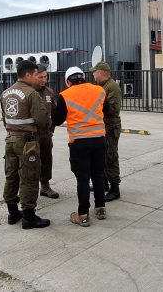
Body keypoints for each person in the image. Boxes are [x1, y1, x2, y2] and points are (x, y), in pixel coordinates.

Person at [53, 66, 108, 227]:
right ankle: (100, 208)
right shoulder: (99, 90)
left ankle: (83, 215)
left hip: (79, 142)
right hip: (99, 139)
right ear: (83, 77)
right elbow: (108, 110)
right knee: (98, 175)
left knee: (83, 179)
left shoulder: (65, 95)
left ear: (68, 81)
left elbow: (57, 120)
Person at [0, 60, 51, 229]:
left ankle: (13, 213)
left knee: (11, 175)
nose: (38, 78)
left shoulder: (5, 93)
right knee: (29, 177)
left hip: (10, 139)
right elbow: (42, 120)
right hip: (27, 142)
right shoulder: (31, 93)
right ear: (28, 75)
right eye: (36, 74)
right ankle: (29, 216)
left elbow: (4, 119)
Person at [92, 61, 122, 202]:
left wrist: (98, 105)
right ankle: (103, 184)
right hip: (102, 127)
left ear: (101, 72)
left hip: (110, 127)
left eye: (95, 71)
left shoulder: (112, 87)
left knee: (110, 156)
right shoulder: (101, 86)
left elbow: (113, 109)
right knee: (101, 156)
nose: (93, 74)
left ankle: (115, 188)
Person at [35, 64, 59, 199]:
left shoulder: (49, 92)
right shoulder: (27, 92)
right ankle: (27, 189)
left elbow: (54, 114)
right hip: (30, 136)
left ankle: (45, 186)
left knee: (46, 160)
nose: (44, 79)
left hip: (46, 135)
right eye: (40, 77)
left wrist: (51, 130)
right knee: (29, 163)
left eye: (45, 76)